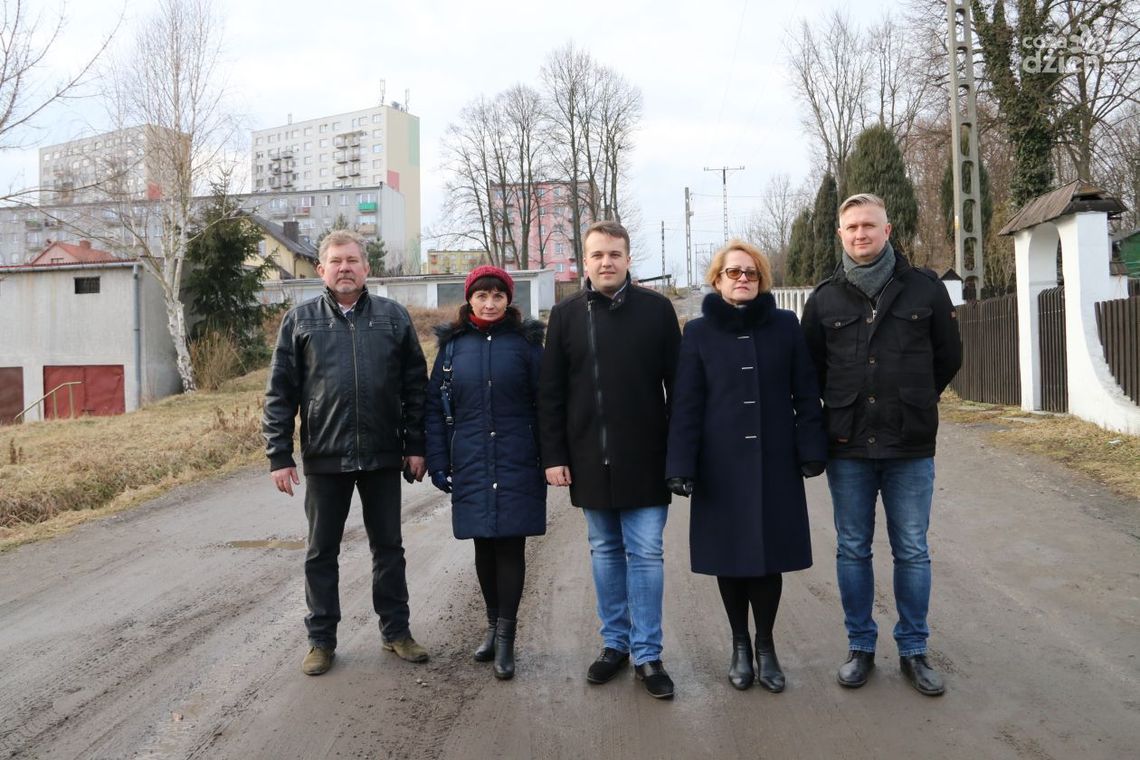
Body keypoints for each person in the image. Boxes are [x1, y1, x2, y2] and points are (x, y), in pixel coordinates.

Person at [802, 194, 962, 696]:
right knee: (853, 550)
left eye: (868, 225)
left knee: (912, 550)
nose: (860, 234)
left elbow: (948, 357)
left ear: (887, 230)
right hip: (847, 446)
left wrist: (914, 400)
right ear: (840, 234)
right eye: (850, 227)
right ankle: (861, 647)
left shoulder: (925, 291)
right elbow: (811, 372)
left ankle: (914, 650)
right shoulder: (824, 298)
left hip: (909, 445)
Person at [263, 229, 431, 676]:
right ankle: (321, 640)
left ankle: (396, 632)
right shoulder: (299, 321)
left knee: (388, 549)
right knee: (321, 552)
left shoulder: (393, 319)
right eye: (336, 261)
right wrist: (279, 455)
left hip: (382, 455)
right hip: (325, 456)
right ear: (321, 269)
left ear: (366, 267)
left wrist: (415, 444)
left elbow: (416, 387)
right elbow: (280, 393)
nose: (345, 268)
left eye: (352, 260)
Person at [665, 240, 826, 693]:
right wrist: (681, 464)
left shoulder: (785, 326)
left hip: (775, 461)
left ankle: (766, 646)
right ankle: (739, 645)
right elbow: (687, 404)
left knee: (768, 558)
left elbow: (805, 392)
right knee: (729, 558)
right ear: (716, 279)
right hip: (719, 466)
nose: (742, 279)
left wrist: (811, 449)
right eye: (733, 272)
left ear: (762, 280)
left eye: (751, 273)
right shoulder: (697, 333)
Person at [538, 219, 682, 699]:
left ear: (627, 258)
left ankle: (647, 654)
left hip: (647, 455)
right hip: (587, 457)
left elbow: (679, 390)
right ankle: (614, 644)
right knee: (604, 552)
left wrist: (679, 455)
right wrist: (554, 454)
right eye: (597, 255)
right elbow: (551, 394)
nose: (606, 263)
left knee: (646, 555)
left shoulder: (658, 313)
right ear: (585, 259)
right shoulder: (566, 316)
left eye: (614, 254)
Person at [424, 266, 547, 680]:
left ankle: (508, 639)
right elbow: (435, 410)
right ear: (469, 300)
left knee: (510, 546)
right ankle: (492, 627)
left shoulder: (528, 345)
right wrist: (439, 461)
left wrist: (551, 459)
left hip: (517, 459)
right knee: (483, 545)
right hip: (472, 459)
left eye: (497, 295)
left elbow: (546, 405)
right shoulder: (453, 348)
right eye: (482, 296)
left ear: (509, 299)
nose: (490, 303)